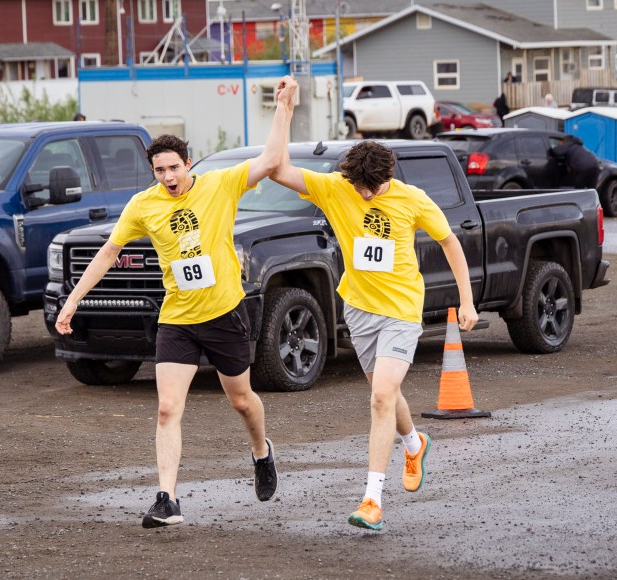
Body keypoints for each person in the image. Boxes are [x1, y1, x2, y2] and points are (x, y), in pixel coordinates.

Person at [54, 76, 299, 528]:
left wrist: (284, 107)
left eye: (173, 168)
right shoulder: (143, 206)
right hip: (178, 318)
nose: (167, 178)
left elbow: (269, 161)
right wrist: (73, 301)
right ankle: (167, 499)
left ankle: (261, 452)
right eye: (159, 171)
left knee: (241, 401)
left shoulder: (220, 185)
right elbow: (109, 252)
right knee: (168, 408)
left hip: (225, 313)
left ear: (188, 163)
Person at [269, 140, 478, 531]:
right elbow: (279, 170)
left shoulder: (412, 199)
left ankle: (372, 500)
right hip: (360, 311)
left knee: (381, 396)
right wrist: (284, 112)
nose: (365, 194)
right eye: (359, 186)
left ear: (388, 176)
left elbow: (449, 241)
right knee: (386, 393)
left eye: (373, 187)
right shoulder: (335, 188)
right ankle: (414, 444)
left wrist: (466, 301)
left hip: (401, 311)